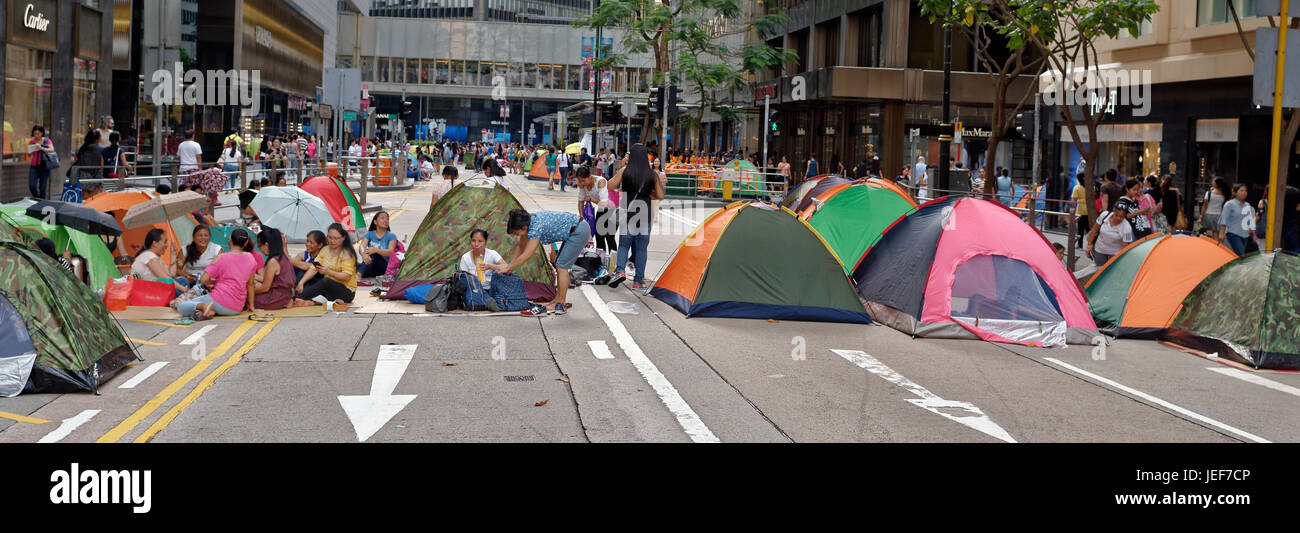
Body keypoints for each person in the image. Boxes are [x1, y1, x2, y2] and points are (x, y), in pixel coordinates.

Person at [504, 208, 590, 315]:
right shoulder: (529, 221)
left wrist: (509, 267)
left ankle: (560, 304)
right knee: (559, 264)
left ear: (524, 227)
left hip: (579, 231)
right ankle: (557, 300)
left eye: (517, 233)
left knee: (561, 267)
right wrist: (510, 265)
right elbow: (521, 247)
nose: (517, 235)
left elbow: (526, 255)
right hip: (575, 229)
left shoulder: (535, 228)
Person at [605, 143, 664, 291]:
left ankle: (620, 272)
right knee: (642, 248)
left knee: (624, 244)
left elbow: (610, 186)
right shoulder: (652, 174)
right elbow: (661, 195)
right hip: (645, 214)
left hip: (628, 212)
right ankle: (638, 281)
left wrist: (620, 171)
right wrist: (650, 194)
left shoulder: (626, 170)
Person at [178, 229, 261, 320]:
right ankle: (211, 311)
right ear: (246, 243)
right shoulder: (251, 258)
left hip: (218, 300)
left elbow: (203, 279)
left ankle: (203, 306)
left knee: (182, 306)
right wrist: (252, 306)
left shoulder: (222, 257)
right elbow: (250, 284)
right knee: (212, 304)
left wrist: (212, 282)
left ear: (230, 240)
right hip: (236, 308)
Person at [294, 223, 357, 310]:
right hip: (329, 290)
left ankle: (296, 299)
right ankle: (309, 301)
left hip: (346, 292)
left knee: (325, 281)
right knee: (312, 280)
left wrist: (329, 272)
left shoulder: (347, 253)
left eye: (336, 238)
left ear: (343, 238)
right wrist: (301, 283)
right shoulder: (325, 249)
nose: (332, 241)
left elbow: (346, 276)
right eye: (330, 237)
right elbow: (314, 267)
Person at [252, 228, 295, 310]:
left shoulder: (273, 261)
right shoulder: (284, 257)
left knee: (245, 299)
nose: (259, 249)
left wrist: (249, 292)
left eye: (259, 246)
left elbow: (265, 287)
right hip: (285, 296)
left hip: (275, 298)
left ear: (267, 245)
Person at [576, 166, 615, 253]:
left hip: (613, 209)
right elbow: (581, 201)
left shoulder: (600, 181)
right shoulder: (582, 184)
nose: (582, 183)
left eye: (583, 180)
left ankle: (613, 264)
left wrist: (591, 199)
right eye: (580, 181)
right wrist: (582, 217)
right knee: (599, 236)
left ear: (589, 176)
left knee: (610, 237)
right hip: (602, 209)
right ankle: (601, 261)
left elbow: (605, 203)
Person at [358, 211, 398, 278]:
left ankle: (358, 276)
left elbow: (390, 252)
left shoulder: (391, 236)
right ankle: (361, 272)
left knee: (373, 253)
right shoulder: (369, 234)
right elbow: (362, 246)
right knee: (353, 261)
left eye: (387, 219)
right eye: (382, 218)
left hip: (383, 268)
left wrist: (376, 250)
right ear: (375, 222)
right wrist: (363, 255)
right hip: (370, 265)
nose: (385, 220)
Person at [1218, 184, 1254, 256]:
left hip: (1245, 235)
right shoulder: (1229, 204)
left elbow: (1249, 219)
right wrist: (1221, 233)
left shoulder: (1247, 205)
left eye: (1245, 191)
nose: (1244, 192)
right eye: (1241, 190)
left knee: (1237, 255)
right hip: (1233, 233)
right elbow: (1224, 218)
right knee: (1241, 255)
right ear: (1235, 193)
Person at [27, 126, 55, 199]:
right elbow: (29, 154)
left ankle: (41, 203)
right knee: (32, 185)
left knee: (42, 188)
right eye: (34, 133)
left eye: (38, 133)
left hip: (44, 166)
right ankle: (37, 198)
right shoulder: (31, 142)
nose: (36, 135)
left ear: (42, 133)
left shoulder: (47, 140)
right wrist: (31, 150)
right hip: (34, 166)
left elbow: (52, 149)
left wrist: (41, 148)